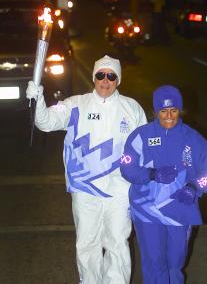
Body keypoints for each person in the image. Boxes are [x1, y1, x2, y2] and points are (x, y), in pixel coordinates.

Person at [26, 55, 147, 284]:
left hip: (120, 190)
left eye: (111, 76)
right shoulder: (76, 104)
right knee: (87, 243)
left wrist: (145, 183)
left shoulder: (132, 109)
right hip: (85, 189)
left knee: (117, 242)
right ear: (94, 77)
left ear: (118, 80)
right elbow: (46, 122)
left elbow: (145, 151)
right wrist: (37, 98)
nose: (105, 80)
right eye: (101, 75)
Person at [120, 84, 207, 284]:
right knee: (153, 261)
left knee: (175, 262)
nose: (169, 115)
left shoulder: (193, 138)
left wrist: (195, 187)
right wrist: (151, 173)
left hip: (180, 209)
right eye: (163, 110)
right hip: (147, 209)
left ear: (180, 111)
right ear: (156, 111)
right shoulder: (140, 135)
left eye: (174, 110)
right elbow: (126, 166)